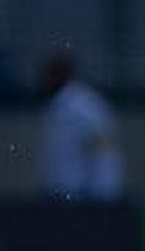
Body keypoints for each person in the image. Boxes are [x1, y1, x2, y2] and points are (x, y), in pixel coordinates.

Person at [38, 49, 125, 200]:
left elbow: (104, 153)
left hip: (84, 197)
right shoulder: (57, 107)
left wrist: (105, 194)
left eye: (48, 76)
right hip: (60, 195)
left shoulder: (85, 107)